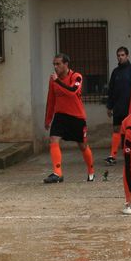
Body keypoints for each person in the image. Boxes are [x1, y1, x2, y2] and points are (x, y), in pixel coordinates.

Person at [43, 53, 96, 183]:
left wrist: (57, 81)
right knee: (53, 139)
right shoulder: (53, 80)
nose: (55, 67)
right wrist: (48, 119)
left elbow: (72, 92)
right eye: (54, 64)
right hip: (60, 115)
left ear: (66, 64)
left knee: (82, 145)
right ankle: (57, 173)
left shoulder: (76, 76)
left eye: (58, 64)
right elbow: (51, 99)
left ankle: (91, 171)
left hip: (76, 116)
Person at [105, 46, 131, 165]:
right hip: (118, 106)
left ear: (127, 56)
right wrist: (109, 106)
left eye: (122, 55)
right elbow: (111, 90)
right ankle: (112, 156)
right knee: (117, 129)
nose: (120, 57)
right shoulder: (115, 72)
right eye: (118, 55)